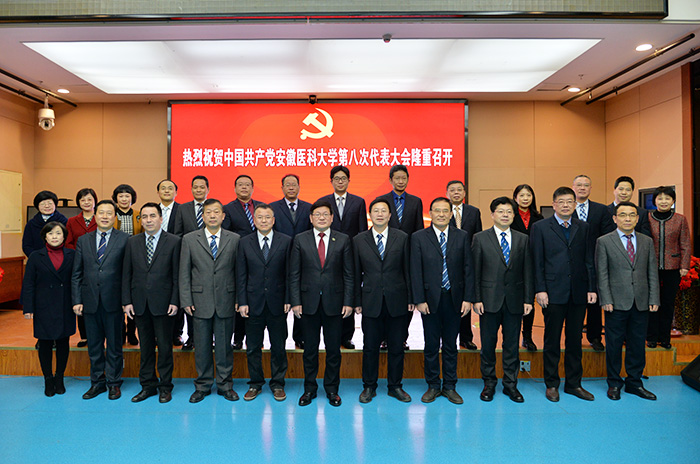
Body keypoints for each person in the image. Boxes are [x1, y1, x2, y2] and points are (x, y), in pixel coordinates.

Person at [530, 187, 597, 402]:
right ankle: (551, 384)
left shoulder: (583, 227)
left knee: (575, 340)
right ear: (554, 204)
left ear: (575, 204)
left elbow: (589, 259)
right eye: (561, 201)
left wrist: (591, 288)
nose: (566, 205)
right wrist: (540, 289)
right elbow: (537, 261)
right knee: (552, 340)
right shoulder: (540, 227)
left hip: (578, 291)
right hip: (552, 292)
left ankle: (574, 384)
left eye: (570, 201)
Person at [411, 197, 475, 405]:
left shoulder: (462, 236)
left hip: (454, 298)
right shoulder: (419, 237)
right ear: (430, 213)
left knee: (450, 345)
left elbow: (468, 268)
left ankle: (449, 386)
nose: (441, 214)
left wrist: (468, 298)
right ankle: (432, 385)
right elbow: (415, 270)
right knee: (431, 345)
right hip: (429, 300)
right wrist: (419, 299)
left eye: (445, 211)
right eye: (436, 210)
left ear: (451, 214)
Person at [290, 200, 354, 407]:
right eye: (317, 214)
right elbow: (294, 273)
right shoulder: (300, 239)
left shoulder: (343, 239)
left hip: (335, 303)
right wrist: (295, 301)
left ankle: (332, 389)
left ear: (332, 217)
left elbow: (349, 274)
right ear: (311, 218)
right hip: (307, 303)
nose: (321, 217)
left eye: (325, 214)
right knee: (310, 350)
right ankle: (309, 389)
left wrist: (348, 301)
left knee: (333, 349)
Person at [596, 201, 660, 401]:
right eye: (623, 215)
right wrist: (606, 298)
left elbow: (652, 271)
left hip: (641, 300)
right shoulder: (604, 241)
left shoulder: (646, 241)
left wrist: (654, 297)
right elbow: (602, 273)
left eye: (632, 215)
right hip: (615, 302)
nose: (627, 219)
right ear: (615, 219)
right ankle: (614, 383)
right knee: (614, 344)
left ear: (637, 218)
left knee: (637, 344)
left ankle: (634, 382)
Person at [472, 197, 534, 403]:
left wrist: (528, 299)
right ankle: (489, 383)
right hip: (488, 301)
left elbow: (528, 271)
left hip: (515, 301)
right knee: (488, 345)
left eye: (509, 212)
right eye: (500, 211)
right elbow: (475, 272)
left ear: (514, 215)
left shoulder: (523, 239)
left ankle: (510, 385)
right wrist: (476, 299)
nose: (505, 215)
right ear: (492, 215)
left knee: (512, 345)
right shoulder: (480, 238)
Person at [179, 199, 240, 403]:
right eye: (208, 212)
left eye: (216, 212)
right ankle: (203, 385)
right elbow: (184, 272)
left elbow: (239, 272)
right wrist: (186, 299)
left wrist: (238, 298)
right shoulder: (189, 239)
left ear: (223, 216)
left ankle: (225, 385)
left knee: (224, 347)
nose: (212, 216)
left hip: (226, 299)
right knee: (202, 347)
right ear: (202, 216)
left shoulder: (234, 239)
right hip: (199, 301)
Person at [354, 198, 413, 403]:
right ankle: (369, 386)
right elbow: (355, 273)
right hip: (370, 301)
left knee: (396, 347)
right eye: (376, 211)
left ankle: (395, 386)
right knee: (370, 347)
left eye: (383, 211)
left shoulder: (402, 238)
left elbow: (408, 270)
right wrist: (356, 300)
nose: (380, 214)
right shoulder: (359, 240)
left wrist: (411, 297)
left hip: (398, 300)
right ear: (370, 215)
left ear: (390, 215)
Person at [122, 203, 181, 404]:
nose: (148, 220)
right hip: (139, 303)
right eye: (144, 216)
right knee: (145, 348)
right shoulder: (132, 242)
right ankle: (147, 386)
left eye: (152, 216)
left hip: (165, 304)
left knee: (164, 348)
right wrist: (127, 301)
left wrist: (175, 300)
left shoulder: (174, 241)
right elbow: (126, 273)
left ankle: (165, 387)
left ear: (160, 218)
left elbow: (177, 275)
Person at [72, 199, 128, 400]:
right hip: (89, 302)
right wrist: (77, 300)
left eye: (109, 213)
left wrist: (126, 300)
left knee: (114, 345)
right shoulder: (83, 240)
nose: (105, 216)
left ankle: (113, 383)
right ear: (95, 216)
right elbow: (77, 273)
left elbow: (127, 274)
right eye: (101, 213)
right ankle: (97, 382)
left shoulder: (125, 239)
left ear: (115, 217)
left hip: (114, 301)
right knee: (94, 346)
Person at [236, 204, 292, 402]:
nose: (264, 220)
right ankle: (255, 383)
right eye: (260, 217)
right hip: (253, 303)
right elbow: (241, 275)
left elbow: (290, 273)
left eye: (268, 217)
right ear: (254, 220)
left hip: (278, 302)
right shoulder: (244, 242)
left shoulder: (286, 241)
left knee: (278, 347)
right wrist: (242, 301)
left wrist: (288, 299)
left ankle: (278, 384)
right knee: (253, 348)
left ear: (273, 220)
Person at [21, 222, 75, 397]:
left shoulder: (72, 255)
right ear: (44, 236)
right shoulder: (36, 256)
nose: (54, 237)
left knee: (63, 342)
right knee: (44, 342)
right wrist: (28, 307)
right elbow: (29, 283)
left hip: (65, 304)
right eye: (50, 233)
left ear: (64, 236)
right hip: (43, 305)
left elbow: (77, 279)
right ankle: (48, 379)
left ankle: (59, 378)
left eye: (58, 233)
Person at [319, 166, 368, 350]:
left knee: (349, 292)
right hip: (328, 254)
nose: (340, 181)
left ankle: (347, 336)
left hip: (351, 254)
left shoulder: (358, 202)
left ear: (348, 180)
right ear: (331, 181)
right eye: (337, 178)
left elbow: (362, 230)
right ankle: (329, 334)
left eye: (343, 178)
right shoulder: (323, 202)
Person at [376, 165, 424, 350]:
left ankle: (402, 337)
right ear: (390, 180)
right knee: (386, 297)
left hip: (409, 255)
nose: (400, 181)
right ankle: (384, 338)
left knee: (406, 298)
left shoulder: (415, 201)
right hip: (387, 256)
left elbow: (418, 229)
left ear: (408, 179)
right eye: (397, 178)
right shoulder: (382, 201)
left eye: (404, 178)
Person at [572, 175, 615, 352]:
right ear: (573, 187)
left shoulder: (601, 210)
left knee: (595, 301)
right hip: (573, 263)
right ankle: (574, 336)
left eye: (586, 185)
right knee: (575, 302)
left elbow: (608, 235)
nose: (582, 188)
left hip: (596, 262)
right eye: (579, 185)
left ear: (591, 188)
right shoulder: (566, 209)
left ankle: (595, 337)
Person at [270, 173, 312, 350]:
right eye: (288, 184)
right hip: (279, 257)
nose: (291, 187)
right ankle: (280, 337)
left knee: (300, 297)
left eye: (294, 184)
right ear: (282, 188)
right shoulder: (273, 208)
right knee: (281, 297)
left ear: (299, 187)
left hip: (303, 258)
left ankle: (299, 337)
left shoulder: (308, 208)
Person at [647, 186, 691, 349]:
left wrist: (684, 265)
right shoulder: (647, 218)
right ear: (655, 201)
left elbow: (685, 243)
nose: (663, 201)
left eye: (667, 198)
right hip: (651, 268)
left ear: (673, 201)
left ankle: (665, 338)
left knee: (667, 303)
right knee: (652, 303)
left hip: (673, 267)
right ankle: (651, 337)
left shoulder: (680, 219)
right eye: (660, 198)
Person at [172, 175, 210, 350]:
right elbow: (178, 234)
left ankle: (210, 338)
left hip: (210, 260)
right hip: (190, 259)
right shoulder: (183, 208)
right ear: (191, 189)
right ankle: (192, 337)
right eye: (196, 187)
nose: (199, 190)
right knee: (190, 300)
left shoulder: (214, 207)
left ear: (208, 189)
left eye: (202, 187)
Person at [223, 174, 259, 350]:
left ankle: (256, 338)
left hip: (259, 259)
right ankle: (238, 338)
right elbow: (226, 234)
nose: (244, 187)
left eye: (247, 185)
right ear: (235, 188)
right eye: (240, 185)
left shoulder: (261, 207)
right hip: (239, 257)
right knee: (240, 298)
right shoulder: (228, 209)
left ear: (252, 188)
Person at [446, 180, 481, 351]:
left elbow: (478, 236)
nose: (456, 193)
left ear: (464, 193)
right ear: (447, 193)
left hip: (468, 261)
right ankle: (447, 339)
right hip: (448, 262)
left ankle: (466, 338)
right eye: (452, 190)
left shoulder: (473, 211)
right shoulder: (443, 211)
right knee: (448, 304)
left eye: (459, 190)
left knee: (465, 301)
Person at [510, 184, 544, 351]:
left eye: (528, 195)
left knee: (529, 300)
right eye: (522, 195)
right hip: (514, 263)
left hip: (533, 263)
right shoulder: (510, 216)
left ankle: (527, 336)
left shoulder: (539, 217)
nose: (525, 198)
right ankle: (513, 336)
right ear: (515, 197)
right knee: (515, 301)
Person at [65, 187, 98, 348]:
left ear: (95, 201)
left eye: (89, 199)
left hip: (98, 263)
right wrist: (80, 255)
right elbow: (68, 242)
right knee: (82, 299)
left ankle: (99, 334)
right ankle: (84, 335)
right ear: (78, 202)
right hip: (78, 263)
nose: (86, 202)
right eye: (83, 200)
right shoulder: (72, 221)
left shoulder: (101, 218)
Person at [112, 183, 141, 346]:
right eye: (121, 196)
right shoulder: (111, 215)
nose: (124, 199)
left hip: (135, 259)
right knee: (117, 297)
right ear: (116, 199)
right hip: (115, 259)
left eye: (127, 196)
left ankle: (131, 331)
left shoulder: (138, 215)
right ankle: (121, 330)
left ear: (132, 198)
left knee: (133, 296)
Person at [22, 190, 68, 258]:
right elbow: (27, 246)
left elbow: (68, 243)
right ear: (37, 206)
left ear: (55, 204)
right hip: (37, 259)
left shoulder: (64, 222)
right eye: (43, 204)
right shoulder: (31, 224)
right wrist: (36, 257)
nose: (47, 206)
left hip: (60, 259)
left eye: (50, 203)